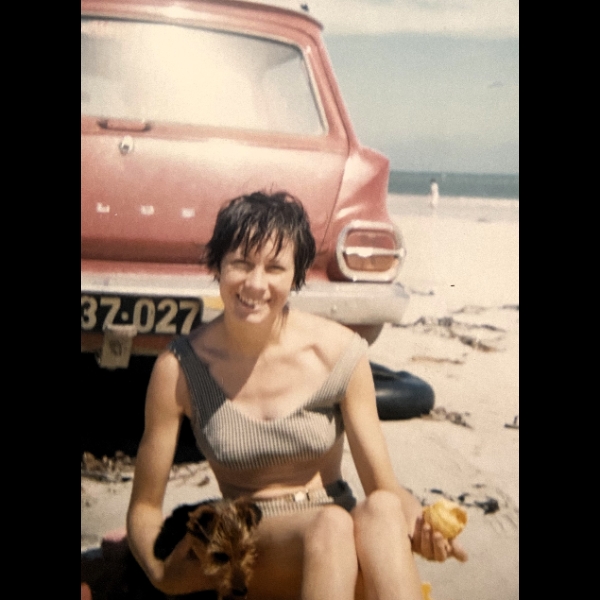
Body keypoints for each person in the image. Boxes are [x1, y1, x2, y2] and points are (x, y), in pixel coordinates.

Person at [126, 191, 467, 600]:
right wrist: (159, 573)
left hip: (339, 536)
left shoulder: (339, 353)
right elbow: (145, 507)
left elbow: (384, 488)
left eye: (275, 268)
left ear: (296, 276)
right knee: (331, 525)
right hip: (252, 542)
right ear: (217, 265)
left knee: (381, 510)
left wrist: (424, 527)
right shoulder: (180, 369)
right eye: (241, 263)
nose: (255, 284)